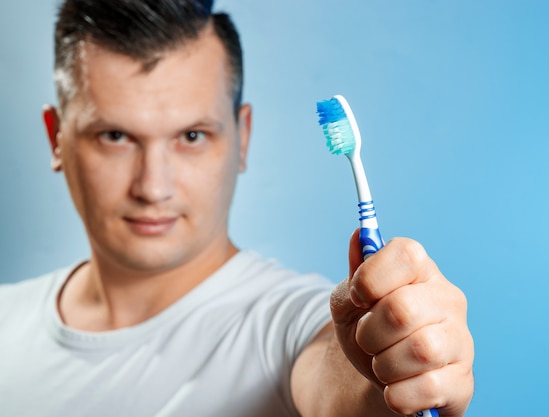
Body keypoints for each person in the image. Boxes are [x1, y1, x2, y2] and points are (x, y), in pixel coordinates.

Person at [0, 1, 474, 416]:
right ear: (55, 137)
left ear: (241, 138)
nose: (152, 186)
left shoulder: (287, 326)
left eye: (191, 136)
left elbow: (340, 382)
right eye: (115, 136)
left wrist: (384, 376)